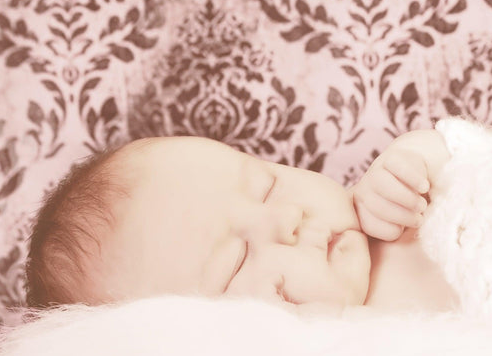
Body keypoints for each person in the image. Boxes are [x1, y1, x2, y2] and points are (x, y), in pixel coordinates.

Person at [24, 128, 461, 315]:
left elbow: (476, 160)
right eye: (237, 260)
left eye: (267, 185)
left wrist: (411, 164)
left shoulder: (389, 204)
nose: (287, 218)